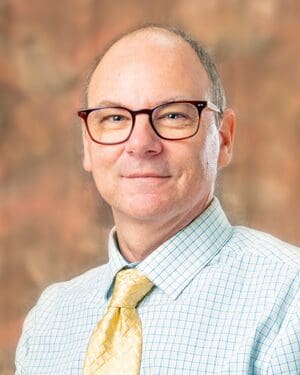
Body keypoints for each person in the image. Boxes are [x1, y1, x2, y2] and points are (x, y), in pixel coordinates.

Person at [15, 25, 299, 375]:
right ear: (87, 146)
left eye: (173, 115)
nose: (140, 144)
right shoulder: (50, 321)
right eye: (115, 118)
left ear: (224, 139)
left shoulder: (290, 301)